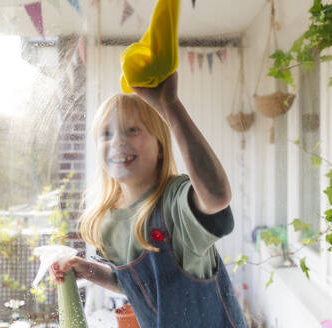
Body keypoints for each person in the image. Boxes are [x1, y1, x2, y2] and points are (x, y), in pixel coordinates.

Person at [49, 72, 249, 328]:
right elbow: (134, 286)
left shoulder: (175, 203)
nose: (118, 140)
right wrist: (84, 268)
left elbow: (216, 196)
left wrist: (171, 107)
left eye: (132, 130)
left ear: (160, 147)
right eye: (106, 134)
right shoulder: (110, 224)